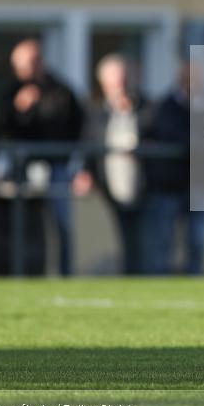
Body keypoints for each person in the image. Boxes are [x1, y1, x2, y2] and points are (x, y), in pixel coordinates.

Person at [0, 39, 83, 276]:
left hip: (56, 166)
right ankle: (28, 274)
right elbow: (3, 128)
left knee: (61, 225)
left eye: (31, 62)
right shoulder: (11, 92)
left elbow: (77, 127)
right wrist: (18, 109)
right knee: (26, 227)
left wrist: (73, 163)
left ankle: (65, 274)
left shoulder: (61, 91)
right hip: (23, 169)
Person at [73, 54, 148, 275]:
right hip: (109, 188)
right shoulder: (95, 113)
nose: (120, 86)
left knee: (145, 246)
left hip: (144, 188)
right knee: (123, 241)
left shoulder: (146, 108)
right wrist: (85, 173)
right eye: (115, 82)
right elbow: (88, 146)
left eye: (123, 80)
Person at [142, 61, 204, 275]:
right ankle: (161, 281)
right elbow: (172, 135)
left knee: (197, 241)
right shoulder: (165, 106)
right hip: (168, 184)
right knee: (163, 242)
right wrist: (202, 143)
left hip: (199, 183)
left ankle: (195, 279)